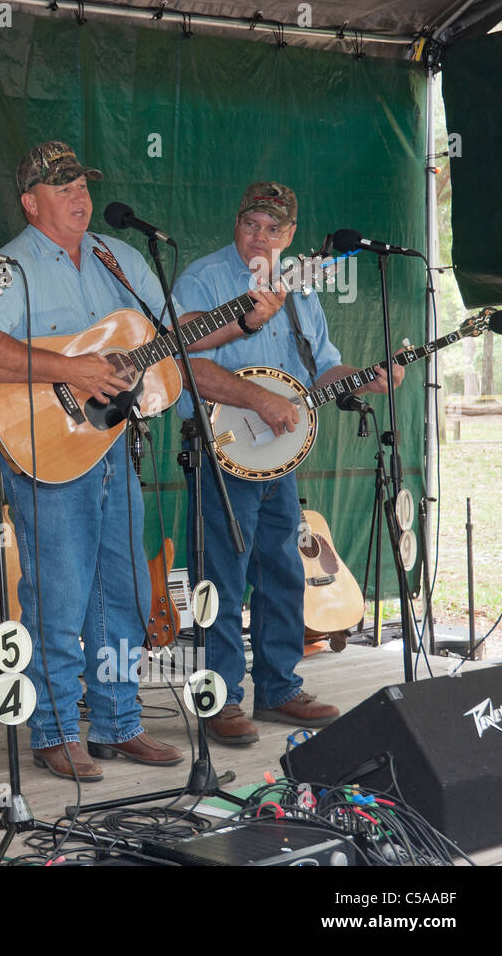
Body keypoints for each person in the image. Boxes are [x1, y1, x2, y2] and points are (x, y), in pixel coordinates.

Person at [0, 141, 183, 781]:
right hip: (44, 447)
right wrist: (70, 368)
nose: (80, 195)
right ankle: (53, 731)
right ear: (31, 203)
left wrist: (239, 318)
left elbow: (170, 336)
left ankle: (118, 721)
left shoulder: (122, 257)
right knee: (57, 595)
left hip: (112, 444)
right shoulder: (8, 266)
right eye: (62, 188)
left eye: (82, 183)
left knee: (127, 589)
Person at [176, 181, 404, 745]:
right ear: (236, 223)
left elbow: (320, 367)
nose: (260, 235)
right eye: (251, 223)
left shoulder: (300, 291)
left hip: (279, 454)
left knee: (281, 570)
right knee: (221, 576)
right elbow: (179, 363)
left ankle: (278, 688)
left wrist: (365, 378)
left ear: (291, 236)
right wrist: (256, 399)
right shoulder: (202, 279)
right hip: (221, 448)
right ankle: (221, 699)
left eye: (273, 229)